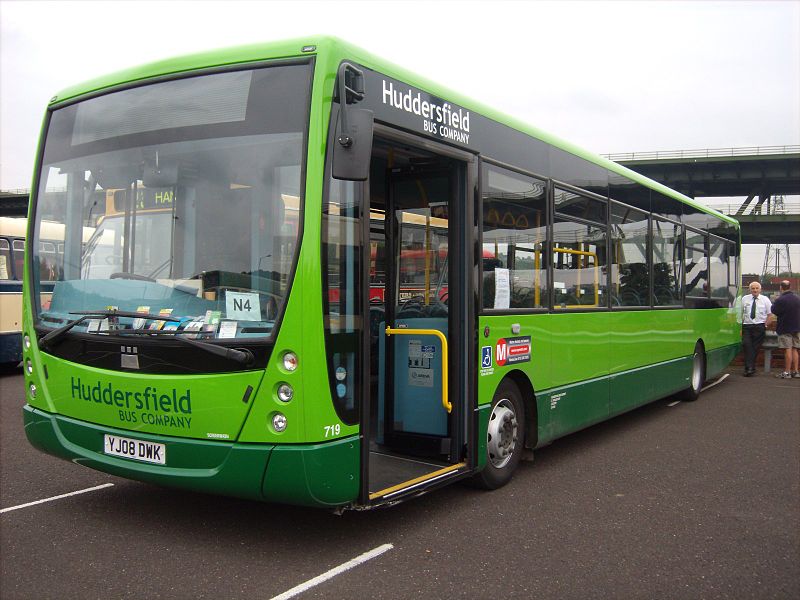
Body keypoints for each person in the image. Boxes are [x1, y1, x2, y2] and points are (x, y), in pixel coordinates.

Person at [769, 280, 800, 379]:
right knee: (795, 349)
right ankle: (796, 371)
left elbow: (774, 310)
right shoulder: (797, 298)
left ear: (781, 288)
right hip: (797, 327)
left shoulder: (780, 299)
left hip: (785, 327)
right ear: (790, 287)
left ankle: (787, 372)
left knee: (788, 349)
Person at [740, 281, 771, 376]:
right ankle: (750, 368)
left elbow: (770, 315)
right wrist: (740, 327)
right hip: (747, 326)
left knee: (755, 348)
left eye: (757, 288)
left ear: (760, 289)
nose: (755, 290)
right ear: (750, 289)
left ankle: (749, 368)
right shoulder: (744, 299)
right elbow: (740, 313)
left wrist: (765, 326)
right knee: (747, 345)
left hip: (759, 326)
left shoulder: (765, 300)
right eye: (753, 288)